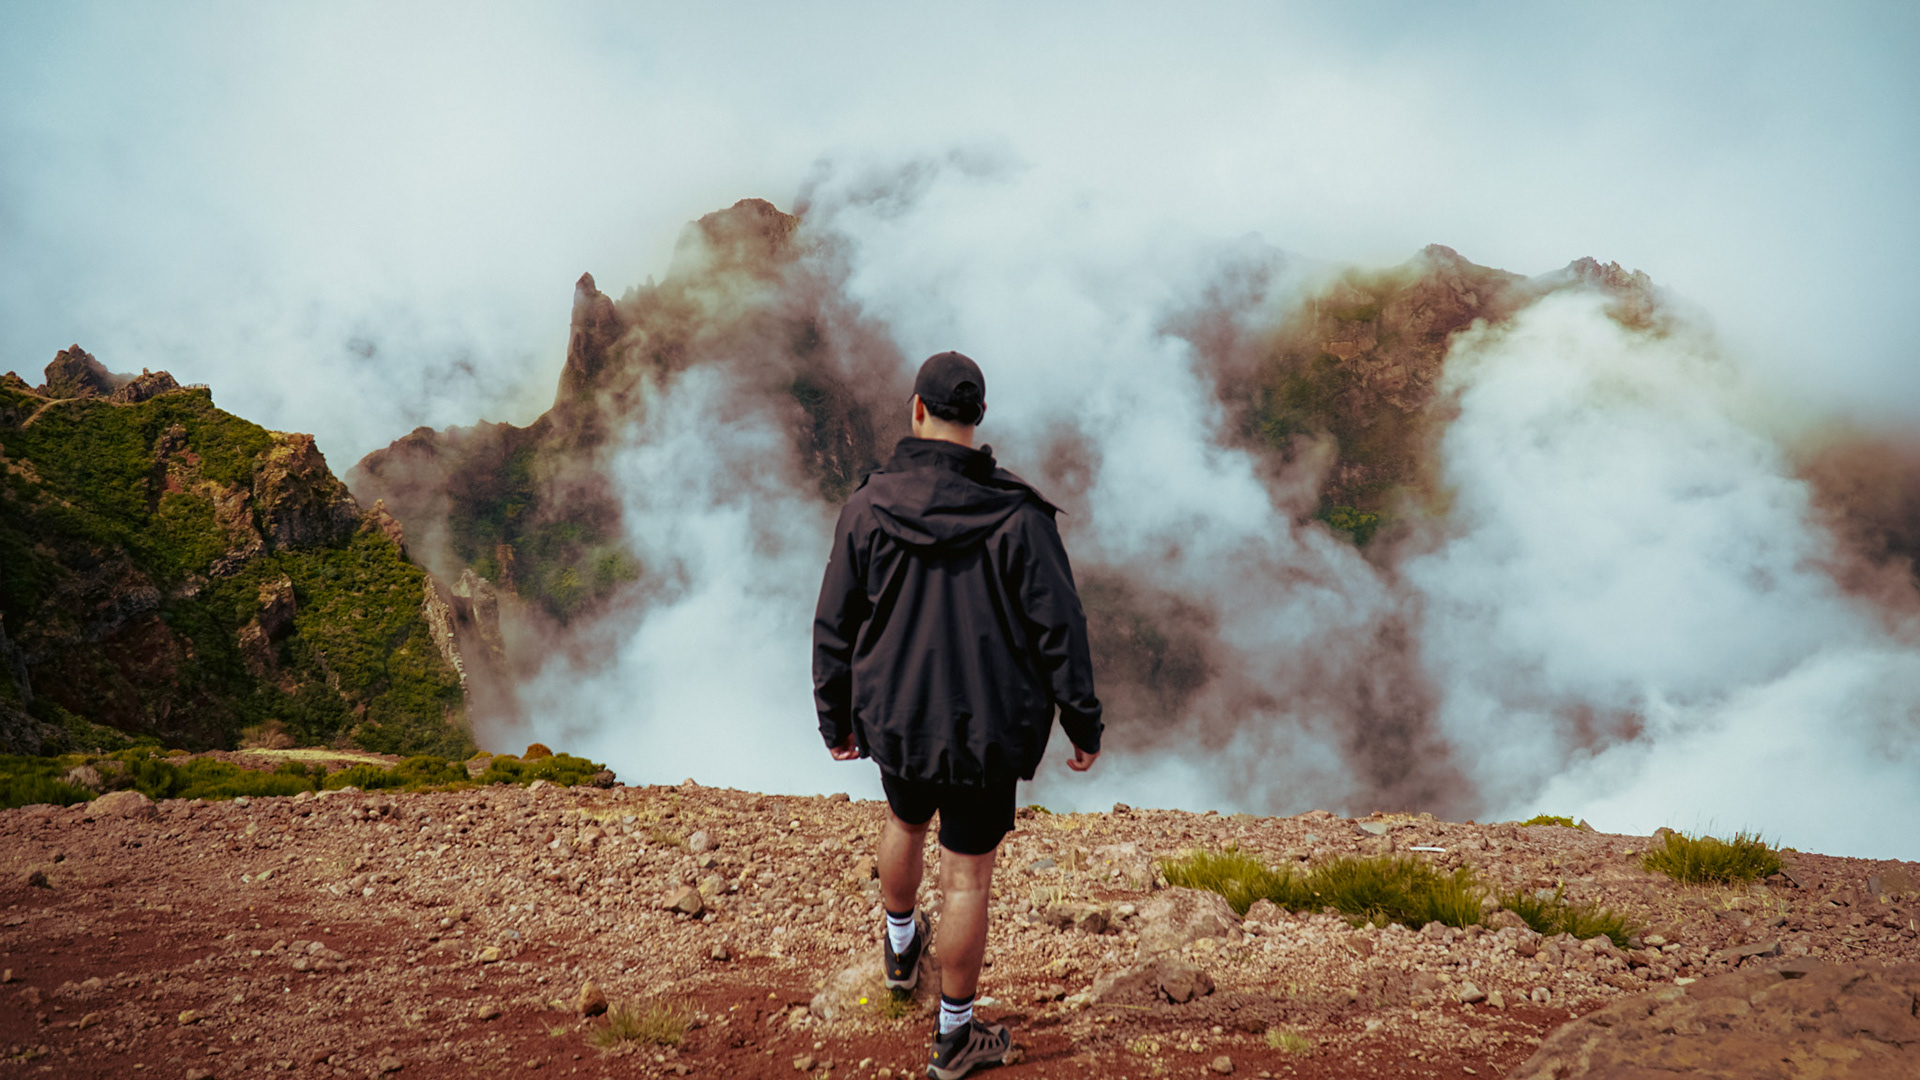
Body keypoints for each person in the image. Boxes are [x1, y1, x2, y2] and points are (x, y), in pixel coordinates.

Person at [812, 351, 1104, 1080]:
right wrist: (1083, 722)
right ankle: (954, 1036)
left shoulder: (868, 506)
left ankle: (900, 948)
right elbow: (1060, 628)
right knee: (968, 879)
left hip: (897, 717)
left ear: (917, 410)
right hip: (987, 728)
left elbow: (835, 623)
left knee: (905, 820)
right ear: (979, 418)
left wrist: (834, 717)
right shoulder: (1020, 516)